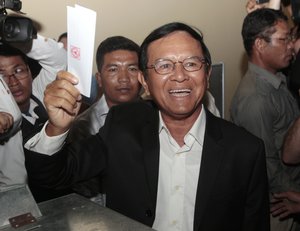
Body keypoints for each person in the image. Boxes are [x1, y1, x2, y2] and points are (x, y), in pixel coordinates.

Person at [25, 22, 269, 231]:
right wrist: (56, 128)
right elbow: (55, 176)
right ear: (145, 81)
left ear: (206, 74)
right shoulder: (123, 126)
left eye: (191, 64)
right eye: (164, 66)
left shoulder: (245, 150)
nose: (179, 75)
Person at [230, 8, 300, 230]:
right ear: (260, 45)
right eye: (284, 39)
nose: (291, 45)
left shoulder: (278, 77)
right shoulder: (255, 99)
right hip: (281, 206)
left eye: (291, 38)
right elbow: (265, 162)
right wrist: (294, 197)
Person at [67, 36, 141, 202]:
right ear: (99, 79)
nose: (124, 78)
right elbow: (87, 192)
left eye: (132, 69)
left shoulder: (158, 113)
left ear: (142, 75)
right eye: (113, 69)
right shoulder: (84, 125)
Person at [0, 35, 71, 201]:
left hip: (63, 198)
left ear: (30, 72)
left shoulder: (41, 93)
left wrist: (10, 35)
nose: (13, 82)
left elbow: (59, 59)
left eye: (18, 70)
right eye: (2, 75)